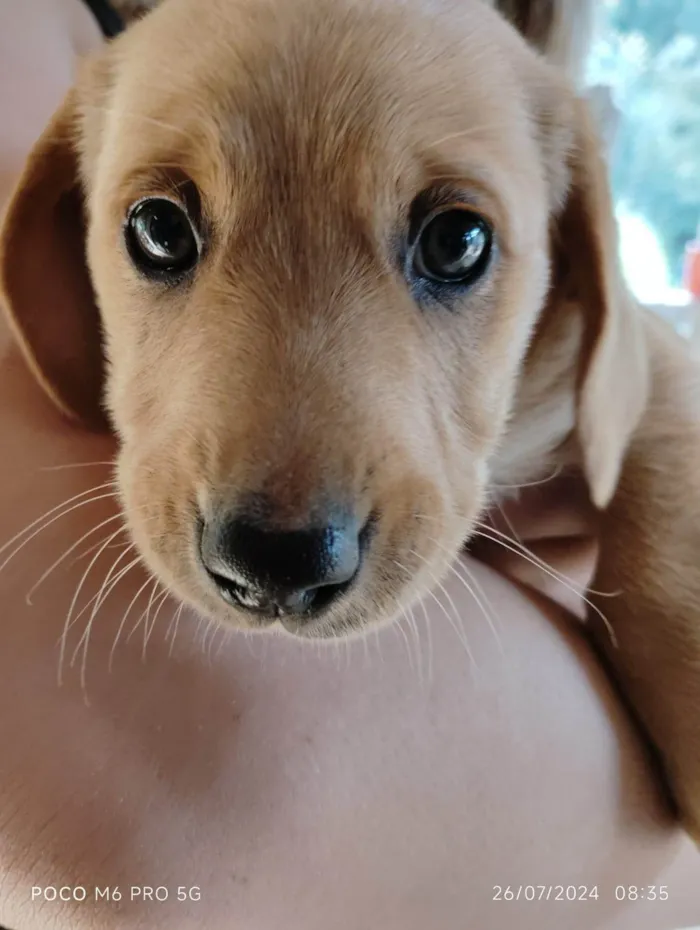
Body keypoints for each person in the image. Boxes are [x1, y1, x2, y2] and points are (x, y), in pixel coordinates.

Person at [0, 2, 697, 928]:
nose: (288, 516)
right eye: (161, 232)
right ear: (66, 229)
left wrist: (664, 598)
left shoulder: (554, 257)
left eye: (455, 245)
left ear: (574, 258)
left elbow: (650, 379)